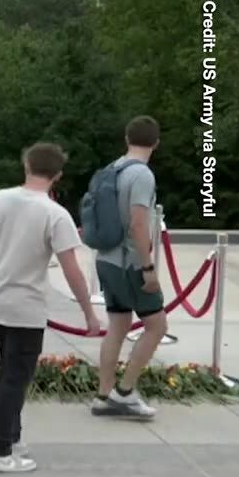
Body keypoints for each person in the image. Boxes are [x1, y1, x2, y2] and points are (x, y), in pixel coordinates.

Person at [0, 142, 101, 474]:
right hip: (26, 308)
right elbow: (71, 268)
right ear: (58, 175)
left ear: (26, 165)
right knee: (15, 379)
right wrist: (88, 311)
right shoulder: (55, 214)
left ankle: (10, 437)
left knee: (9, 374)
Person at [91, 115, 164, 419]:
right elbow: (138, 224)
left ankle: (103, 395)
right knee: (157, 326)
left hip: (106, 259)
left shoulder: (113, 168)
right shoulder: (142, 175)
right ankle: (125, 392)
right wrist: (148, 268)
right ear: (156, 143)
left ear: (126, 138)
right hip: (130, 264)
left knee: (118, 327)